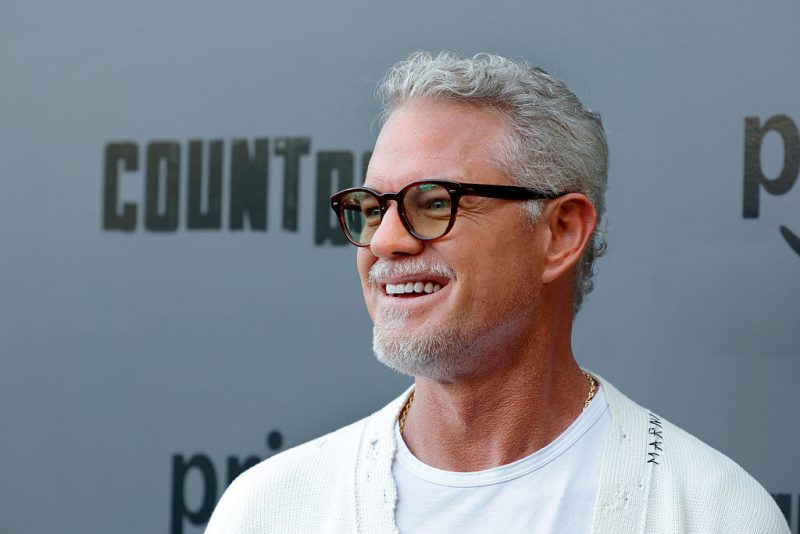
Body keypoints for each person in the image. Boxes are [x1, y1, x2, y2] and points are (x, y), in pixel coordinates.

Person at [206, 51, 789, 533]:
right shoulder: (271, 511)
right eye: (370, 208)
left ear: (561, 233)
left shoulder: (709, 513)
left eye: (433, 203)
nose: (385, 242)